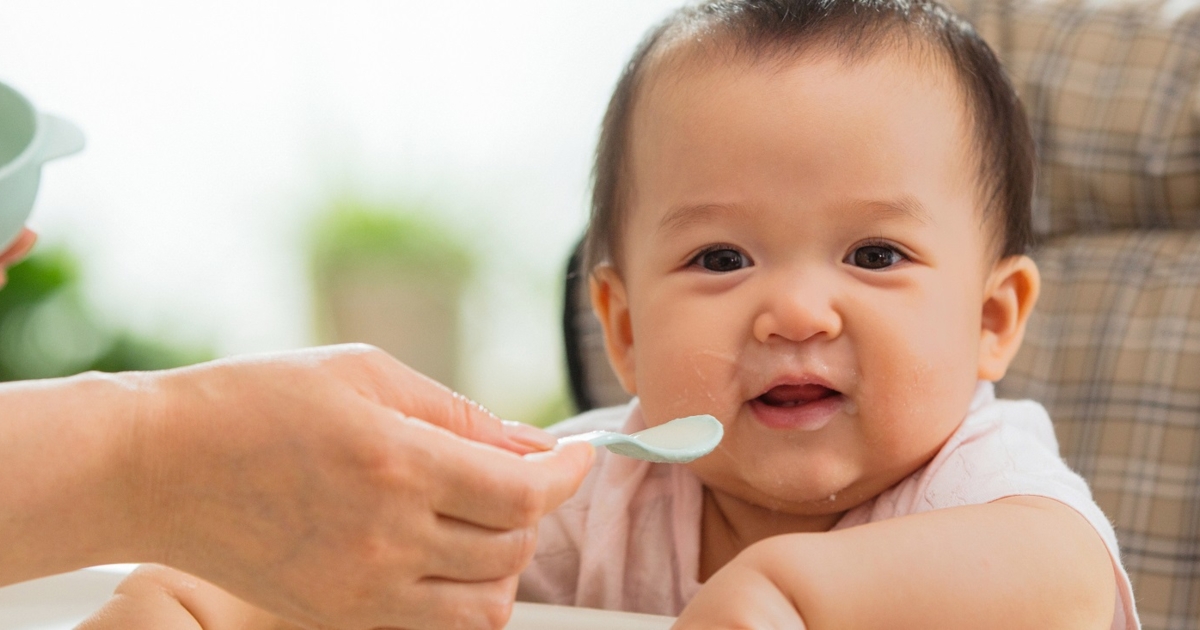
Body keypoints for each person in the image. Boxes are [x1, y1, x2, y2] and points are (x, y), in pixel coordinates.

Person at [70, 0, 1141, 628]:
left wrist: (785, 598)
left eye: (875, 254)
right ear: (621, 328)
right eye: (721, 257)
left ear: (994, 318)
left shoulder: (982, 482)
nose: (797, 310)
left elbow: (1064, 584)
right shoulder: (601, 490)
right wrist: (215, 604)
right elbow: (391, 577)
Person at [0, 229, 594, 630]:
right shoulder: (562, 518)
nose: (21, 237)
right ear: (616, 322)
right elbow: (187, 597)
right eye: (693, 260)